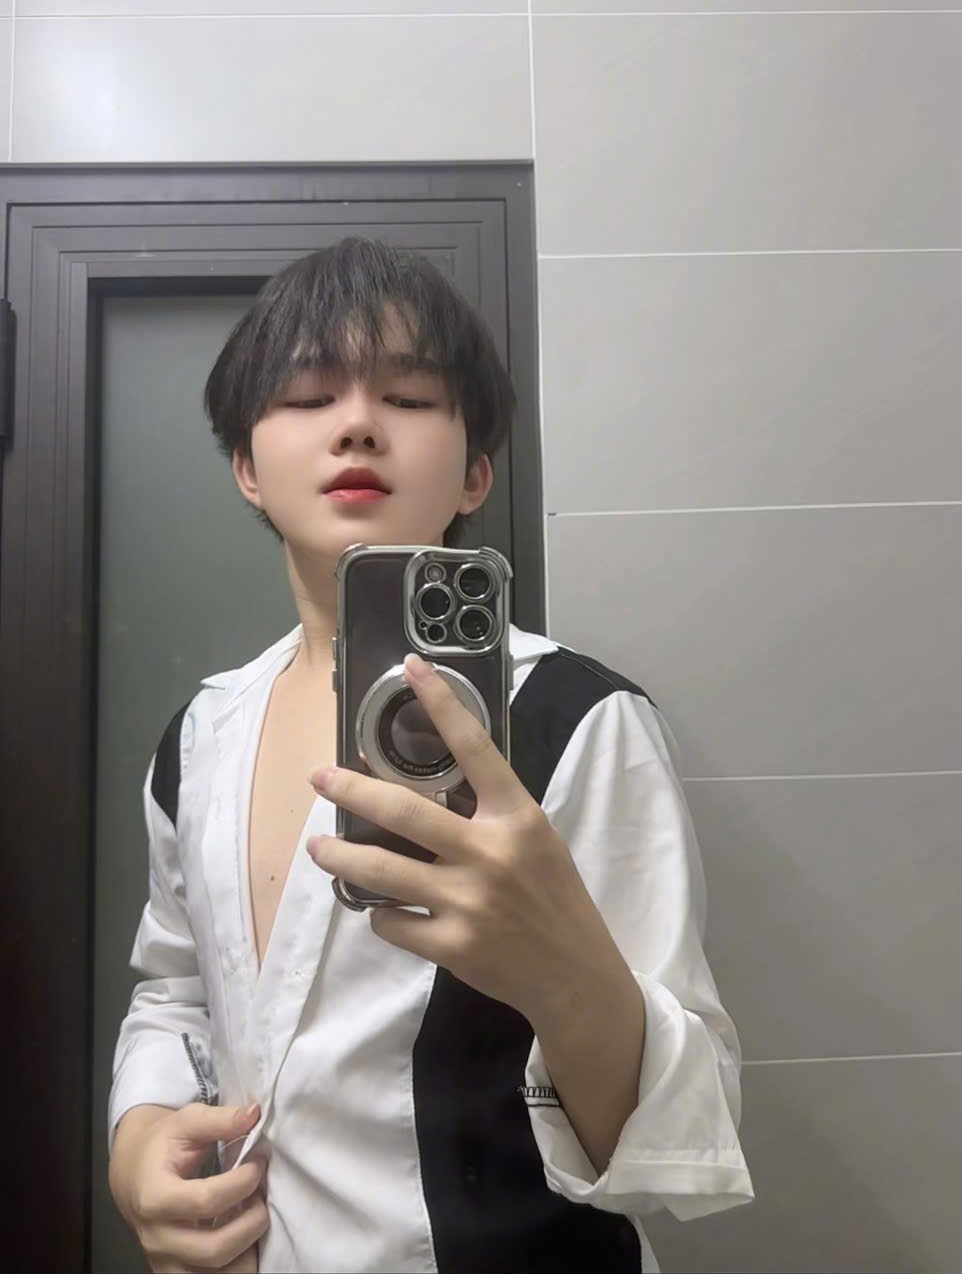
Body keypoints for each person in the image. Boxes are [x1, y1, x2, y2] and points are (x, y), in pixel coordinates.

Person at [107, 237, 754, 1274]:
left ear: (474, 472)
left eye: (409, 397)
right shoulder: (198, 737)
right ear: (247, 470)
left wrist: (564, 973)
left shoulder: (576, 720)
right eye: (309, 395)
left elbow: (681, 1141)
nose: (358, 423)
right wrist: (140, 1129)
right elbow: (175, 990)